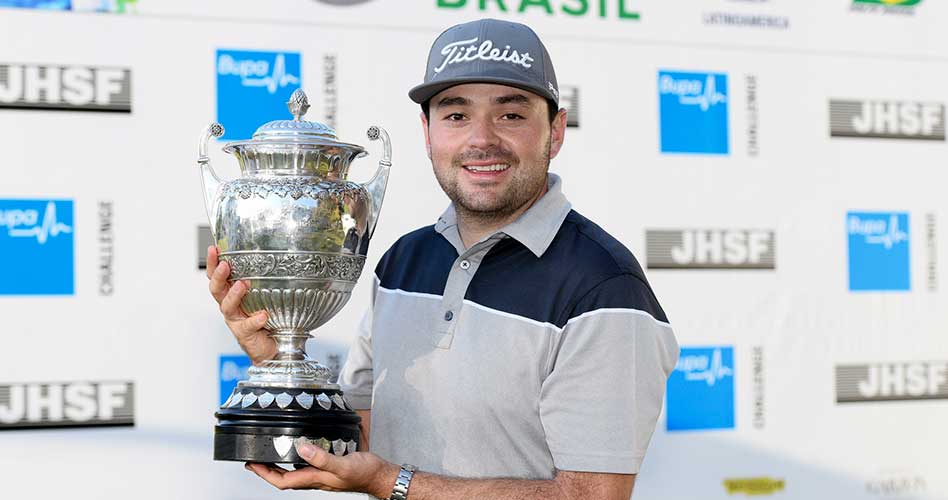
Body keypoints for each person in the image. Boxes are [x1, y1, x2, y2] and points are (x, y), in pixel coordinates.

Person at [207, 18, 679, 500]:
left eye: (510, 115)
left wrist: (390, 483)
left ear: (555, 132)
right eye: (456, 115)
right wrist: (274, 355)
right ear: (427, 132)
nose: (481, 139)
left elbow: (592, 496)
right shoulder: (403, 262)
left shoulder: (605, 288)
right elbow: (364, 442)